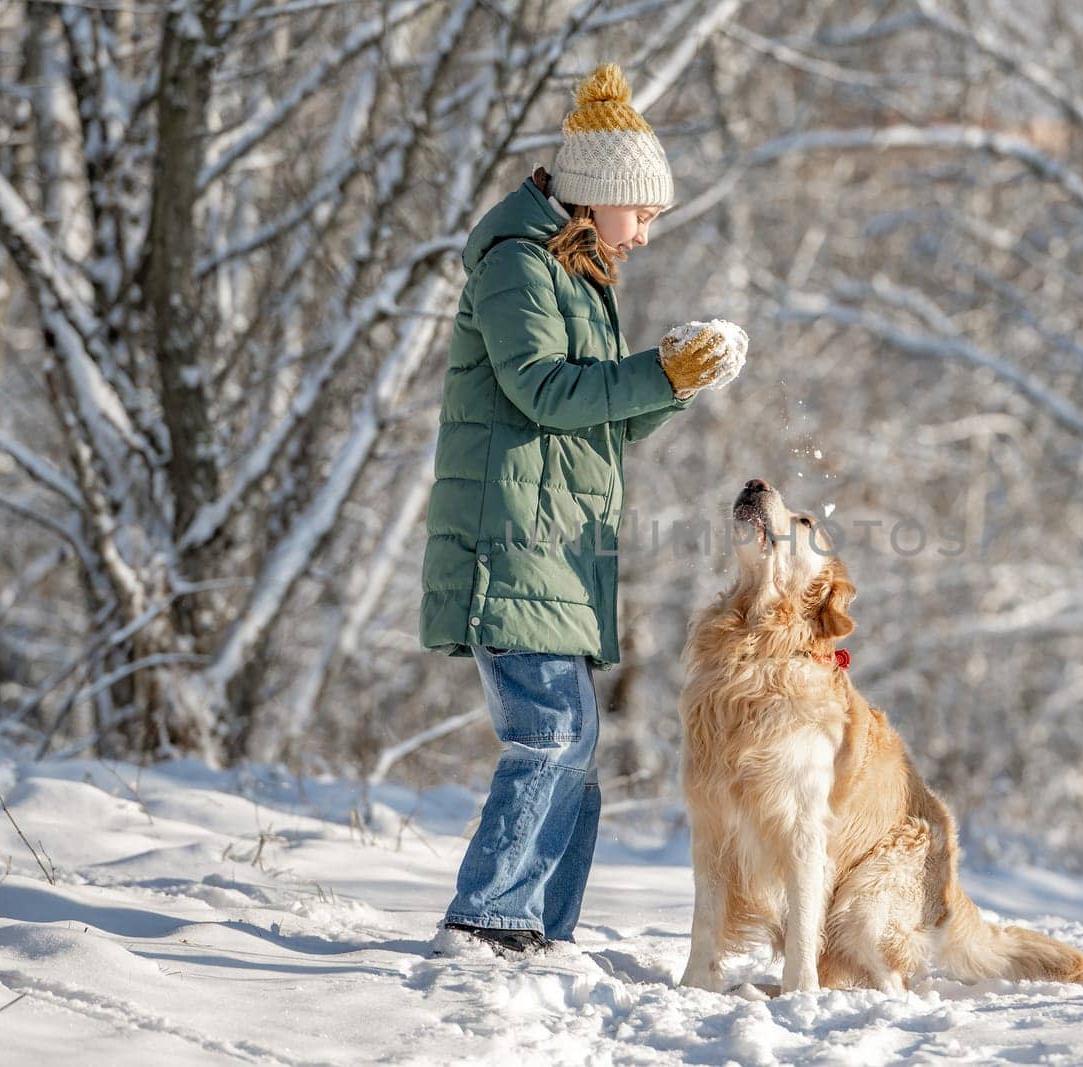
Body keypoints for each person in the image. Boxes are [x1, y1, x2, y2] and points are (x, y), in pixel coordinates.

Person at [420, 63, 747, 958]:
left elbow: (596, 422)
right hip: (512, 541)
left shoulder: (577, 276)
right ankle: (486, 916)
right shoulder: (519, 265)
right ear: (597, 197)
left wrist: (674, 382)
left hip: (559, 550)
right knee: (551, 732)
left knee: (575, 744)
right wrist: (652, 372)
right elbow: (541, 391)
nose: (644, 233)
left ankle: (535, 925)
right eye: (641, 212)